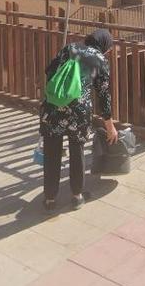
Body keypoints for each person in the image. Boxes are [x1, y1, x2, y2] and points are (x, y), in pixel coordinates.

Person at [40, 28, 118, 211]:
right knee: (77, 151)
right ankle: (77, 196)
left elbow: (49, 71)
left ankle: (50, 199)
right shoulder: (100, 60)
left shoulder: (70, 48)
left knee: (52, 153)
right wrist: (110, 125)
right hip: (79, 112)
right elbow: (103, 95)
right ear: (104, 45)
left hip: (53, 107)